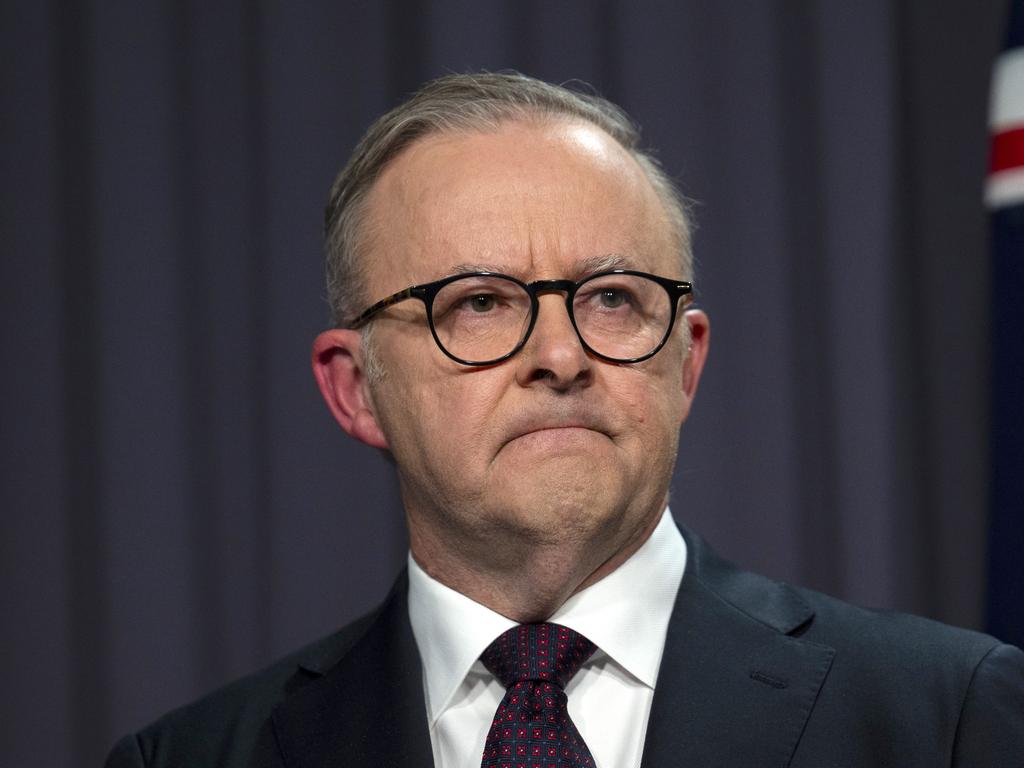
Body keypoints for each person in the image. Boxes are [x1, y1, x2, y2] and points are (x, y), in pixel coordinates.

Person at [106, 72, 1024, 768]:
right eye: (478, 304)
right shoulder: (186, 758)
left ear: (686, 361)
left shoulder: (949, 716)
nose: (560, 354)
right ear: (356, 389)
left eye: (614, 297)